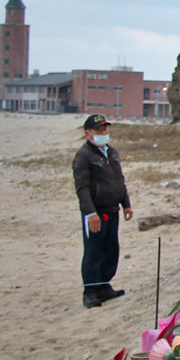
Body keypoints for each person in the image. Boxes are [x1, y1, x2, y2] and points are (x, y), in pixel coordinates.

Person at [73, 114, 133, 309]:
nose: (104, 132)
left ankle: (104, 286)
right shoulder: (83, 156)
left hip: (113, 209)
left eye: (105, 129)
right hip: (96, 212)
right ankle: (90, 291)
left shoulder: (112, 152)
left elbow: (119, 180)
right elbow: (82, 188)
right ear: (88, 133)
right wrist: (90, 213)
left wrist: (126, 203)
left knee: (111, 248)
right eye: (99, 130)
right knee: (94, 249)